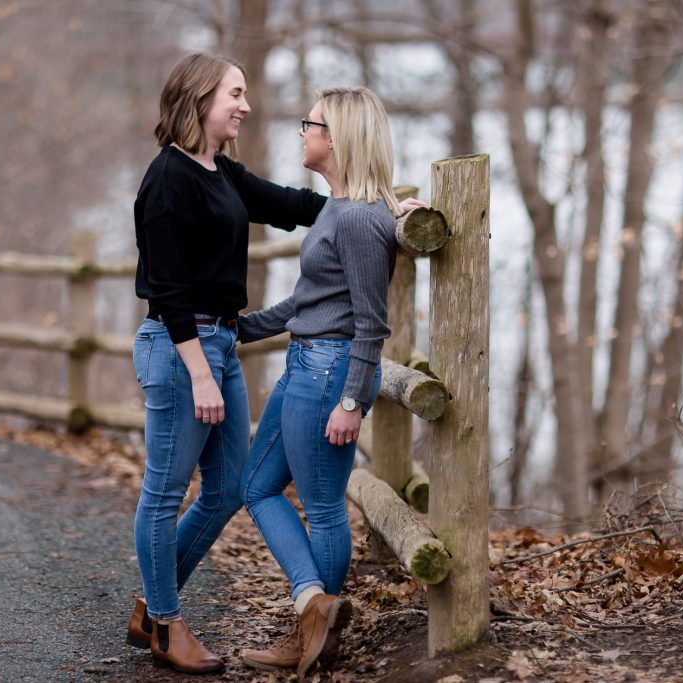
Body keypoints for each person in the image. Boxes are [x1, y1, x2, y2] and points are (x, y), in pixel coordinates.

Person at [126, 53, 332, 675]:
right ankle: (167, 623)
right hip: (177, 347)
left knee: (228, 487)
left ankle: (152, 609)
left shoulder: (219, 171)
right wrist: (198, 371)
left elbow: (296, 205)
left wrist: (370, 207)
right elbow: (166, 289)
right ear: (199, 99)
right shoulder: (167, 180)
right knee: (164, 493)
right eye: (234, 94)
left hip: (219, 343)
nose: (245, 105)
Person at [237, 86, 405, 680]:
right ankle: (313, 607)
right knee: (255, 486)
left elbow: (370, 323)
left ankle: (313, 635)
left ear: (336, 137)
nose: (301, 133)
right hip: (304, 365)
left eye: (308, 124)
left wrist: (353, 400)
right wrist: (239, 328)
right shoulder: (338, 207)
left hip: (330, 372)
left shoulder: (358, 218)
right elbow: (309, 302)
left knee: (324, 508)